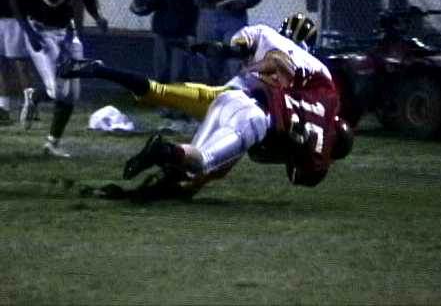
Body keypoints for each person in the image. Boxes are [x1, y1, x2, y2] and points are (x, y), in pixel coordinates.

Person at [59, 14, 353, 200]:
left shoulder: (267, 35)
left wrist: (225, 51)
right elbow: (281, 66)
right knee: (204, 163)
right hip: (252, 110)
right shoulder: (319, 78)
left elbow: (241, 48)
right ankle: (164, 158)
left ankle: (101, 69)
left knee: (160, 93)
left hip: (226, 97)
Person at [11, 0, 109, 158]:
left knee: (72, 94)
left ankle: (52, 143)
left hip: (67, 30)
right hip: (40, 29)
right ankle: (36, 96)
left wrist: (98, 16)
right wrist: (28, 32)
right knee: (58, 90)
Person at [0, 0, 34, 125]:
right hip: (0, 20)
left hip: (16, 21)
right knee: (1, 66)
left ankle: (30, 104)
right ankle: (3, 107)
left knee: (21, 65)